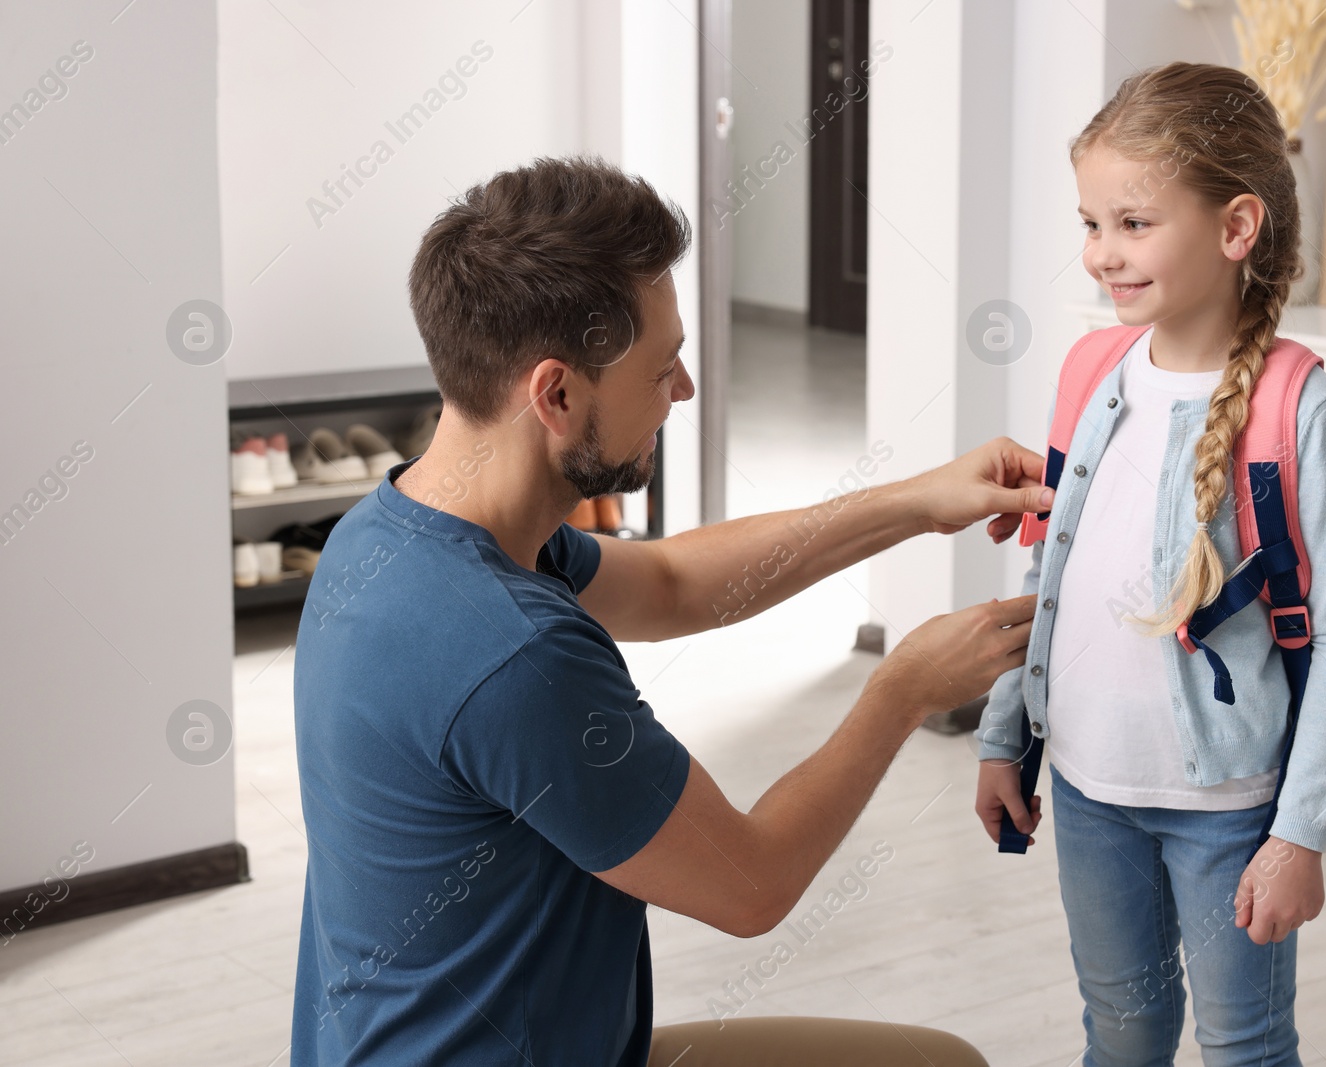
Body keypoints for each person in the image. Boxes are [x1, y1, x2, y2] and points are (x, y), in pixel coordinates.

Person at [289, 155, 1049, 1066]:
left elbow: (673, 585)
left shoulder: (386, 537)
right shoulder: (513, 655)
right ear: (557, 394)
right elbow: (752, 882)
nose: (683, 388)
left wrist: (916, 500)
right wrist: (904, 689)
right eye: (662, 366)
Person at [972, 62, 1326, 1066]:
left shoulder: (1301, 411)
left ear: (1236, 227)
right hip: (1087, 785)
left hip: (1228, 807)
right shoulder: (1089, 372)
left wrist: (1298, 835)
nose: (1101, 254)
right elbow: (1048, 573)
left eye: (1133, 223)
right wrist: (1002, 731)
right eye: (1091, 222)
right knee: (1118, 1027)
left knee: (1242, 1044)